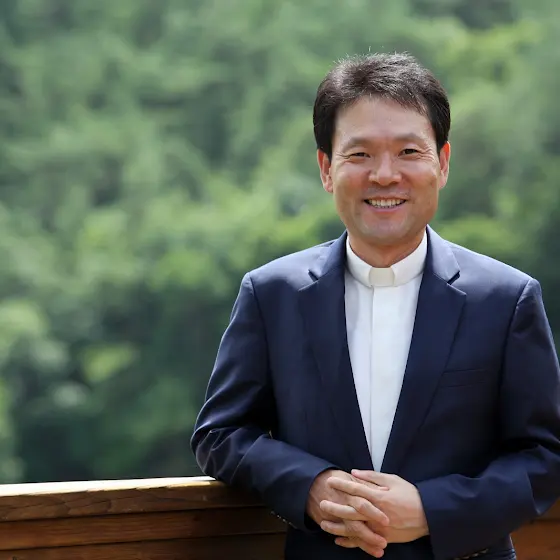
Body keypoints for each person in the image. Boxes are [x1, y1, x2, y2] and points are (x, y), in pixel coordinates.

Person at [190, 52, 560, 560]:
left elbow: (545, 456)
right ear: (327, 168)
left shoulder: (506, 299)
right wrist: (310, 486)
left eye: (408, 151)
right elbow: (221, 434)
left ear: (443, 163)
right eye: (360, 154)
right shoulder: (271, 294)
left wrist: (432, 510)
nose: (385, 175)